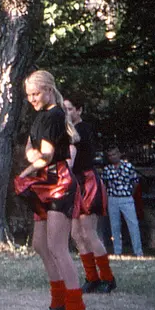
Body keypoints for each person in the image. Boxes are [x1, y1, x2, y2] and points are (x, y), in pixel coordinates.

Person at [14, 70, 88, 310]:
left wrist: (26, 170)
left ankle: (76, 309)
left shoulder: (55, 115)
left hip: (59, 184)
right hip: (44, 182)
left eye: (35, 93)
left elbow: (44, 156)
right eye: (29, 95)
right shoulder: (40, 116)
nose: (32, 99)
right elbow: (29, 149)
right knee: (40, 244)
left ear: (47, 90)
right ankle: (58, 302)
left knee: (57, 247)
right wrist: (33, 159)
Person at [63, 99, 116, 293]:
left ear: (79, 110)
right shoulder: (70, 131)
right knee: (76, 234)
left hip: (87, 182)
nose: (67, 112)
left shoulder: (82, 129)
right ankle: (92, 278)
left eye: (70, 109)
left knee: (88, 232)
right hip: (76, 183)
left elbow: (71, 156)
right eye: (64, 109)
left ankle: (108, 278)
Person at [99, 145, 144, 257]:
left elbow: (135, 182)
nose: (112, 157)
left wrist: (129, 194)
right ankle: (117, 251)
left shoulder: (128, 166)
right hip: (112, 199)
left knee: (133, 224)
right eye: (110, 155)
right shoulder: (107, 170)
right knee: (115, 226)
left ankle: (138, 251)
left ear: (119, 154)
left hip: (126, 198)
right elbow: (104, 185)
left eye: (114, 154)